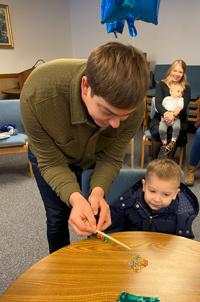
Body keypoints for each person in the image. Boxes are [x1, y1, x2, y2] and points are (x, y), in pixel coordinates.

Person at [20, 42, 149, 253]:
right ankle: (60, 268)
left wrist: (98, 192)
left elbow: (112, 156)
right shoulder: (37, 96)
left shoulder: (135, 105)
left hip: (96, 153)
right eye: (107, 111)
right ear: (85, 86)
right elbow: (51, 162)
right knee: (57, 215)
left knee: (95, 212)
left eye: (123, 116)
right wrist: (74, 197)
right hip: (52, 154)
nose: (116, 124)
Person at [108, 159, 199, 239]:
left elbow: (185, 244)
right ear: (144, 186)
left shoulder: (182, 215)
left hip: (164, 253)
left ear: (175, 194)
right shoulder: (129, 202)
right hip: (132, 249)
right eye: (152, 191)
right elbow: (110, 221)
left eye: (166, 194)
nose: (157, 199)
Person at [149, 60, 191, 159]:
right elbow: (158, 103)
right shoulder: (161, 84)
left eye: (180, 72)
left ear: (183, 73)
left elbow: (184, 104)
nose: (177, 74)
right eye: (175, 70)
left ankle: (169, 161)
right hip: (161, 115)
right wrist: (167, 114)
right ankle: (154, 160)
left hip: (179, 116)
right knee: (156, 130)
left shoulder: (186, 87)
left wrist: (173, 115)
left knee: (176, 131)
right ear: (170, 70)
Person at [158, 83, 184, 156]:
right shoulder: (166, 99)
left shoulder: (180, 99)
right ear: (171, 91)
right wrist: (165, 115)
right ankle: (164, 144)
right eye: (178, 91)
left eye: (181, 92)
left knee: (177, 127)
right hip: (165, 117)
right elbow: (161, 108)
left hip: (175, 117)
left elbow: (179, 108)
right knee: (161, 129)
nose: (180, 93)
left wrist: (173, 115)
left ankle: (173, 141)